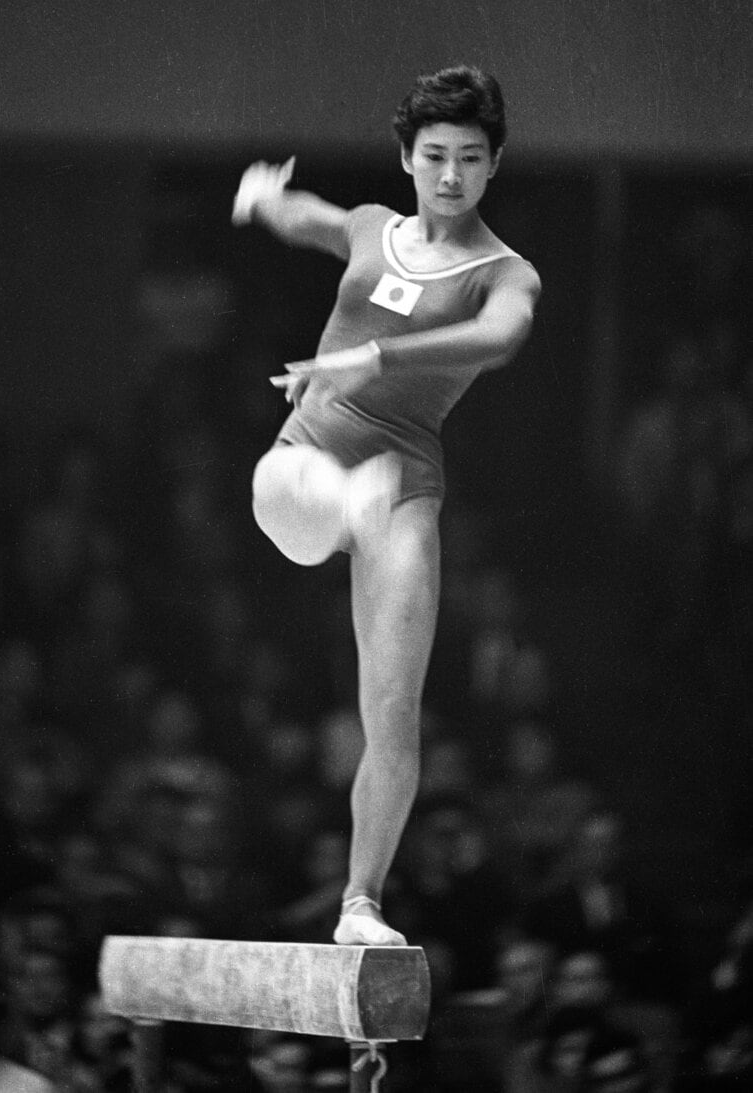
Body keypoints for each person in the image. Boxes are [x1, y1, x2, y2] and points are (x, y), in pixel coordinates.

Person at [231, 65, 541, 946]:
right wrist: (267, 199)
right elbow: (316, 220)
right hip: (318, 454)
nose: (450, 176)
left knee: (393, 710)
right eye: (434, 156)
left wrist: (380, 362)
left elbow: (500, 336)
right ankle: (338, 505)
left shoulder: (503, 272)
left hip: (402, 478)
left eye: (470, 159)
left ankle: (359, 903)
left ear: (494, 166)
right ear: (406, 158)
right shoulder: (375, 228)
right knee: (276, 494)